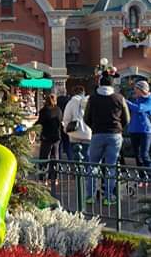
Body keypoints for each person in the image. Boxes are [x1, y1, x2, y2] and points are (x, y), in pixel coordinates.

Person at [84, 72, 130, 204]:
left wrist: (94, 127)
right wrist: (119, 128)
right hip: (115, 135)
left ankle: (90, 196)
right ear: (112, 84)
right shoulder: (119, 98)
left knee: (93, 165)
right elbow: (127, 118)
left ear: (100, 84)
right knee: (111, 166)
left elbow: (86, 117)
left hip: (97, 134)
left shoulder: (93, 98)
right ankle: (108, 197)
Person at [125, 79, 151, 180]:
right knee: (137, 155)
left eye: (136, 89)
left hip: (145, 131)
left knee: (144, 154)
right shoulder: (136, 98)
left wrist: (126, 101)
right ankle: (142, 177)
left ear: (141, 89)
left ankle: (149, 175)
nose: (134, 91)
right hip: (133, 130)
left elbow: (139, 109)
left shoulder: (149, 99)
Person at [62, 85, 92, 161]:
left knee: (75, 156)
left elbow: (66, 118)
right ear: (83, 92)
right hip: (87, 133)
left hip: (74, 133)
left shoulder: (71, 103)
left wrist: (66, 129)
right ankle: (87, 171)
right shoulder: (89, 102)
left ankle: (76, 171)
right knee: (86, 156)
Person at [37, 93, 63, 181]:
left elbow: (40, 122)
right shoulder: (58, 110)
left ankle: (42, 177)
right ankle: (54, 177)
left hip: (46, 136)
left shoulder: (44, 111)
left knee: (44, 156)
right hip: (56, 136)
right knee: (55, 156)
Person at [55, 88, 73, 160]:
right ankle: (70, 161)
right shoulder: (69, 100)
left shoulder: (57, 101)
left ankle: (58, 161)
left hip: (58, 124)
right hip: (66, 123)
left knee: (59, 144)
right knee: (67, 144)